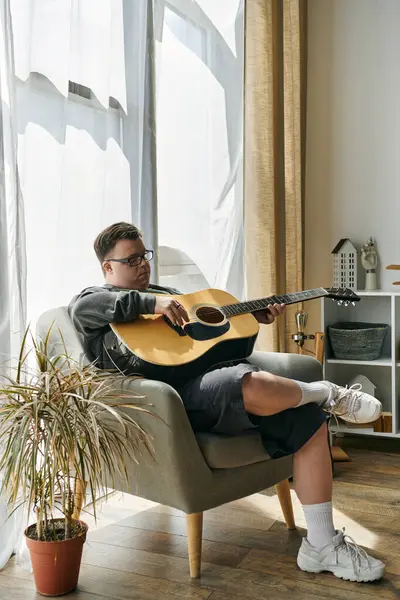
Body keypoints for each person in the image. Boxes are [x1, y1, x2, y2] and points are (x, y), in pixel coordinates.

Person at [69, 222, 385, 582]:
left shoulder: (171, 294)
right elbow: (93, 306)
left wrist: (251, 318)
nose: (143, 264)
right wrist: (155, 302)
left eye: (145, 255)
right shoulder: (91, 302)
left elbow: (216, 345)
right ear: (108, 268)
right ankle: (329, 392)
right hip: (171, 403)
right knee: (246, 383)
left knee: (308, 420)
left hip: (212, 380)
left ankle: (322, 544)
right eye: (132, 259)